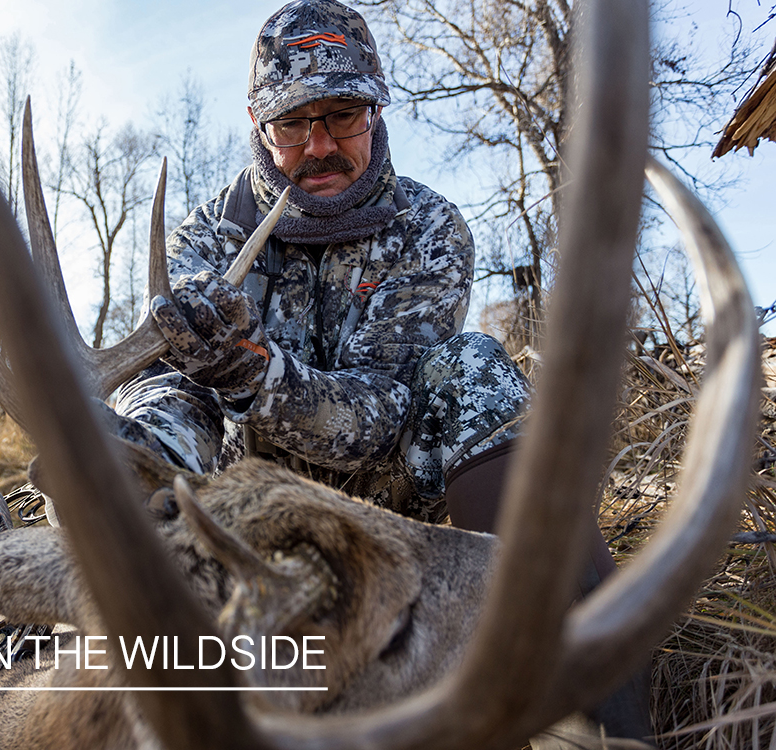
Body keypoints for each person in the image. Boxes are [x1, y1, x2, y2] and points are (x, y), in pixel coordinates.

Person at [102, 0, 654, 743]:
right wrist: (136, 426)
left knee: (472, 368)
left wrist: (256, 376)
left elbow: (385, 413)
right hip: (237, 510)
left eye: (344, 114)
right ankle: (120, 567)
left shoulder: (428, 229)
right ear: (257, 122)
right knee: (165, 387)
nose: (320, 144)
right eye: (293, 122)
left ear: (377, 109)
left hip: (397, 514)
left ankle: (594, 693)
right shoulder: (207, 234)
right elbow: (171, 381)